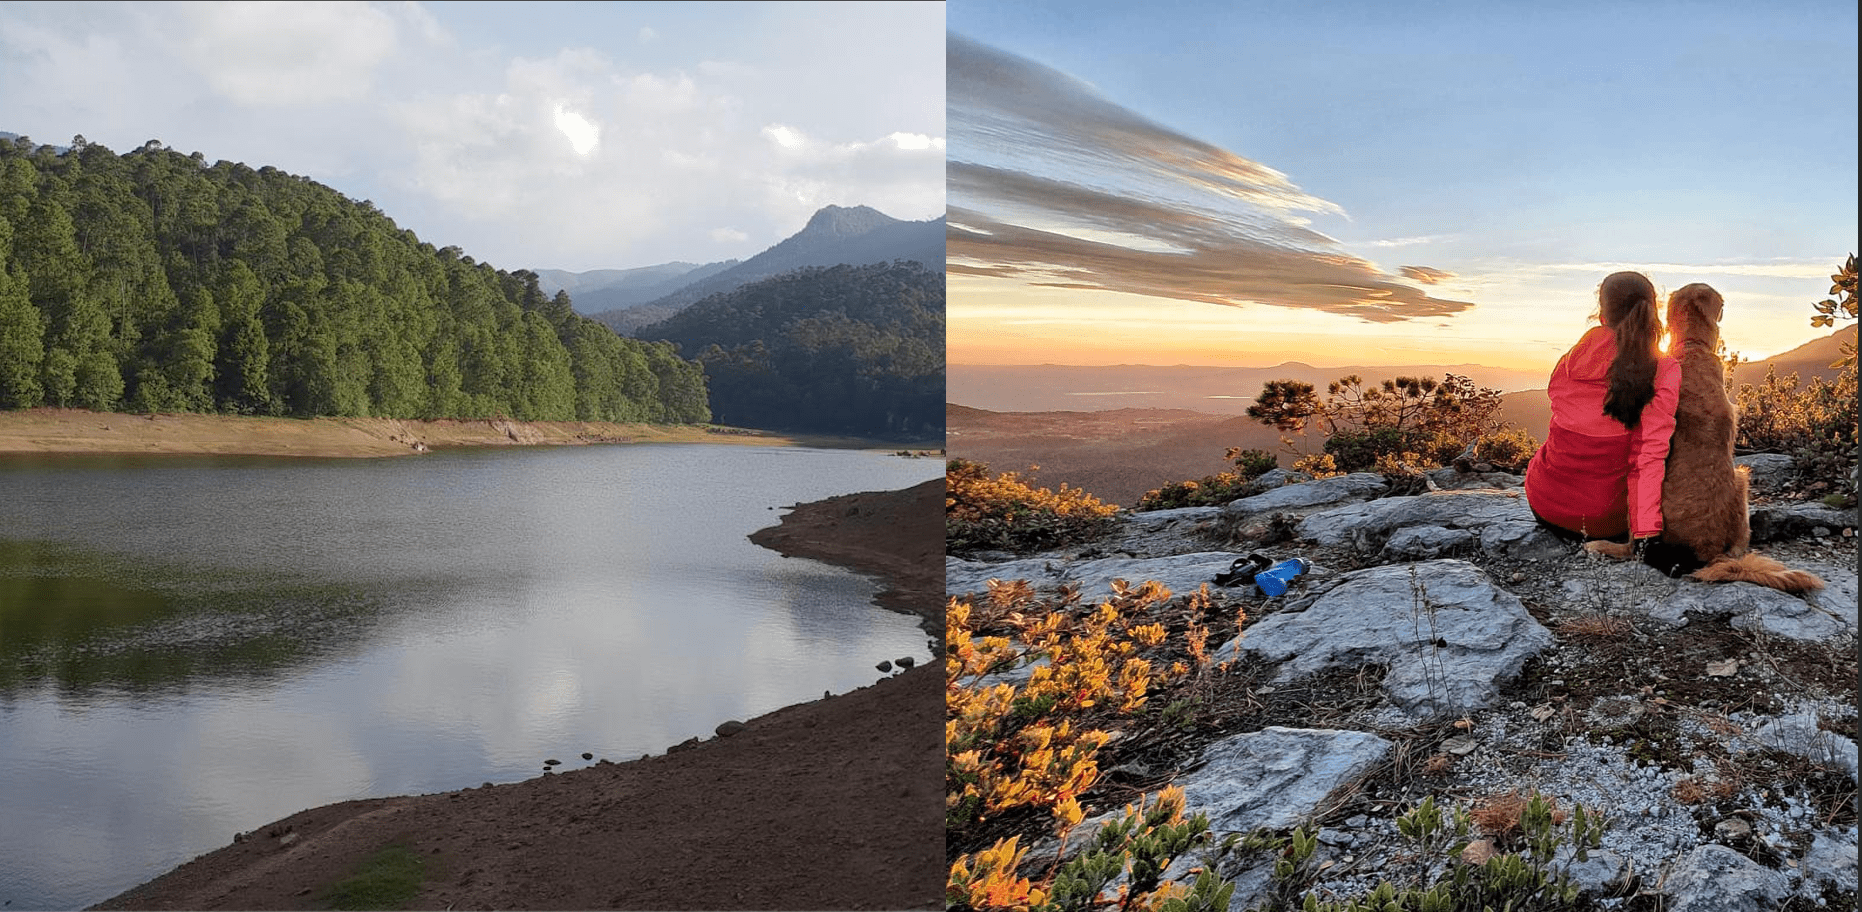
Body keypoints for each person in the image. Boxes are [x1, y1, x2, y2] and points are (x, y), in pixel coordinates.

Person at [1524, 271, 1681, 546]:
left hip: (1544, 503)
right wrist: (1646, 534)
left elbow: (1564, 414)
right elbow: (1649, 457)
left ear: (1601, 316)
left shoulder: (1570, 360)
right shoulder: (1664, 369)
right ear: (1652, 312)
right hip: (1605, 523)